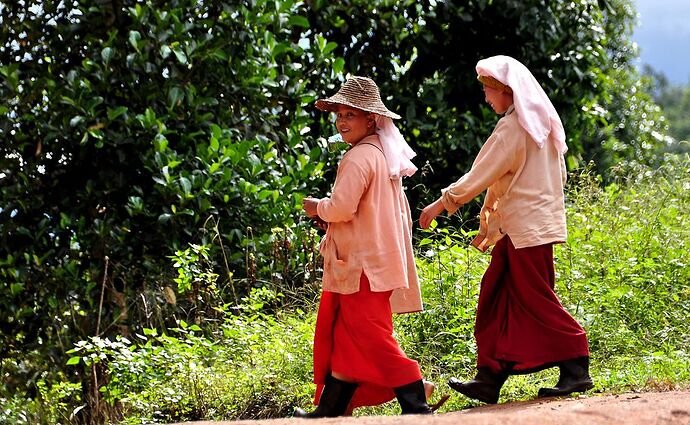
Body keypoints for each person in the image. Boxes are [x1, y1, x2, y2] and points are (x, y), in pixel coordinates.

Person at [419, 55, 593, 404]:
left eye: (488, 90)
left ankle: (576, 362)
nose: (485, 97)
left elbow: (480, 175)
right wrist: (491, 222)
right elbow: (514, 180)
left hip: (526, 229)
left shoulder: (513, 128)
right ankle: (490, 375)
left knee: (534, 298)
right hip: (528, 227)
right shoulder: (538, 124)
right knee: (497, 294)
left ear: (505, 91)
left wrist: (441, 204)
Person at [295, 76, 443, 418]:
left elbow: (342, 208)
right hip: (374, 262)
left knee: (371, 336)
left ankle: (416, 394)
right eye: (339, 114)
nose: (342, 122)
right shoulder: (381, 155)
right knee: (349, 336)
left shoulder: (359, 157)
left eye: (351, 114)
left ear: (371, 120)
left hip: (361, 266)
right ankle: (331, 408)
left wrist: (318, 207)